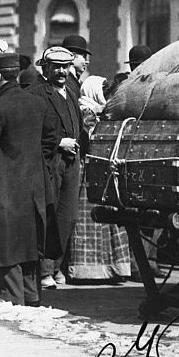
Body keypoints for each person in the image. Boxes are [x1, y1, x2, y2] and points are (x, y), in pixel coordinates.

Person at [0, 52, 54, 305]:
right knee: (30, 236)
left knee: (5, 238)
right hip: (35, 180)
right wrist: (38, 163)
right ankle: (31, 293)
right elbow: (50, 140)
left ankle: (11, 294)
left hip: (5, 181)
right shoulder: (37, 103)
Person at [27, 46, 85, 289]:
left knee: (67, 216)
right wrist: (59, 142)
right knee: (47, 214)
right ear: (46, 67)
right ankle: (44, 271)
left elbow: (79, 125)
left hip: (72, 163)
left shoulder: (70, 92)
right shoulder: (37, 93)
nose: (61, 71)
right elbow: (30, 132)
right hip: (50, 161)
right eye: (56, 67)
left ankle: (57, 264)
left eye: (65, 66)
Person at [67, 74, 131, 281]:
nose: (106, 96)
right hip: (89, 170)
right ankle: (89, 270)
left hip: (102, 169)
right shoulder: (86, 112)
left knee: (108, 220)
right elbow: (90, 140)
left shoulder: (99, 111)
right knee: (91, 219)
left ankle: (111, 268)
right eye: (103, 92)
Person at [61, 35, 90, 101]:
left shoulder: (71, 80)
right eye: (84, 56)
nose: (87, 61)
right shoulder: (66, 81)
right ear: (72, 56)